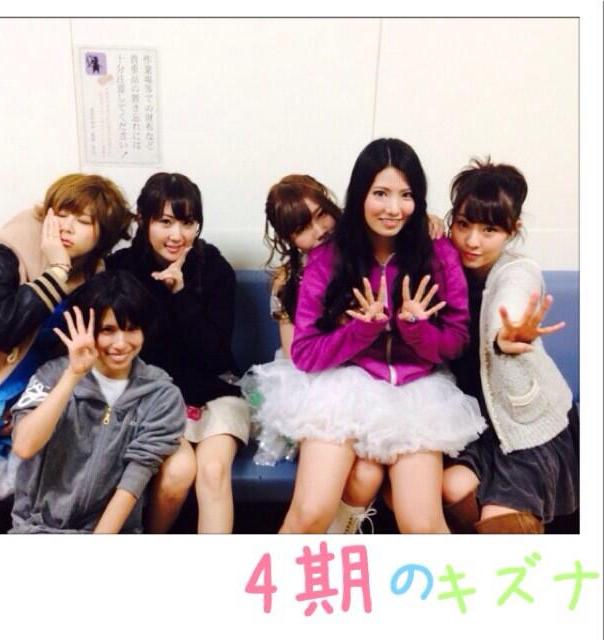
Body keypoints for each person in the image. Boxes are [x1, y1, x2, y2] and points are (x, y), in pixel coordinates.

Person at [279, 137, 486, 534]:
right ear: (360, 194)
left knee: (422, 524)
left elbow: (456, 341)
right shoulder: (329, 257)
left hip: (418, 391)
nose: (394, 208)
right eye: (381, 193)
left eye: (406, 195)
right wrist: (361, 331)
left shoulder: (439, 253)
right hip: (344, 385)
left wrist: (416, 330)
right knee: (309, 512)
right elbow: (304, 353)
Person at [441, 159, 579, 534]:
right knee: (450, 489)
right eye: (463, 225)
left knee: (502, 523)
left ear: (511, 230)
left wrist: (505, 337)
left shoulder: (517, 272)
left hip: (524, 425)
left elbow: (511, 303)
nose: (472, 241)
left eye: (489, 229)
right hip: (475, 422)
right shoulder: (443, 265)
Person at [107, 172, 249, 533]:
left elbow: (217, 355)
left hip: (214, 391)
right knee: (177, 472)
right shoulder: (121, 269)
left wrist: (181, 295)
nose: (177, 235)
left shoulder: (214, 268)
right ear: (143, 219)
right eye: (165, 222)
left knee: (213, 471)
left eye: (187, 223)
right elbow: (126, 351)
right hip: (153, 396)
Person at [0, 174, 134, 500]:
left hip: (43, 383)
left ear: (102, 234)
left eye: (82, 221)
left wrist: (32, 403)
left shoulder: (94, 271)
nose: (66, 228)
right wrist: (56, 271)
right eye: (62, 214)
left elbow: (72, 350)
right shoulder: (11, 248)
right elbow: (0, 331)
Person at [9, 270, 185, 533]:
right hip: (37, 529)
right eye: (108, 330)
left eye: (132, 329)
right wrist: (72, 375)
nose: (121, 343)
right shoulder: (51, 375)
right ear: (88, 330)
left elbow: (133, 482)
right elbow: (24, 446)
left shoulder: (161, 394)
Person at [241, 175, 341, 465]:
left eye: (322, 215)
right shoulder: (287, 280)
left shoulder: (359, 251)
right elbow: (293, 352)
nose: (319, 231)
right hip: (313, 373)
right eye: (303, 228)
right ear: (288, 239)